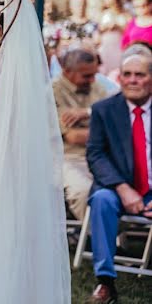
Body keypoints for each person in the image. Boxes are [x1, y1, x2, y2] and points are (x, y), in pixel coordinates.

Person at [85, 51, 152, 304]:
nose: (133, 80)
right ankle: (105, 282)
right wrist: (124, 189)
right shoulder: (104, 110)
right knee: (101, 200)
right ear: (120, 78)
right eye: (127, 74)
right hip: (116, 185)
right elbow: (95, 155)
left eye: (140, 75)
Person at [51, 48, 111, 220]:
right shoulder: (53, 92)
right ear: (67, 71)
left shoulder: (97, 87)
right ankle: (94, 238)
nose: (92, 80)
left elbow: (115, 119)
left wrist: (87, 112)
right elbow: (73, 137)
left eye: (94, 74)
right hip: (68, 158)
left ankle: (114, 238)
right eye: (86, 76)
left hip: (100, 156)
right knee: (84, 191)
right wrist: (105, 130)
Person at [98, 0, 130, 74]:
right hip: (105, 47)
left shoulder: (125, 14)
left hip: (120, 47)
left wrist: (118, 27)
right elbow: (97, 31)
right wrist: (104, 28)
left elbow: (130, 31)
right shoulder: (103, 13)